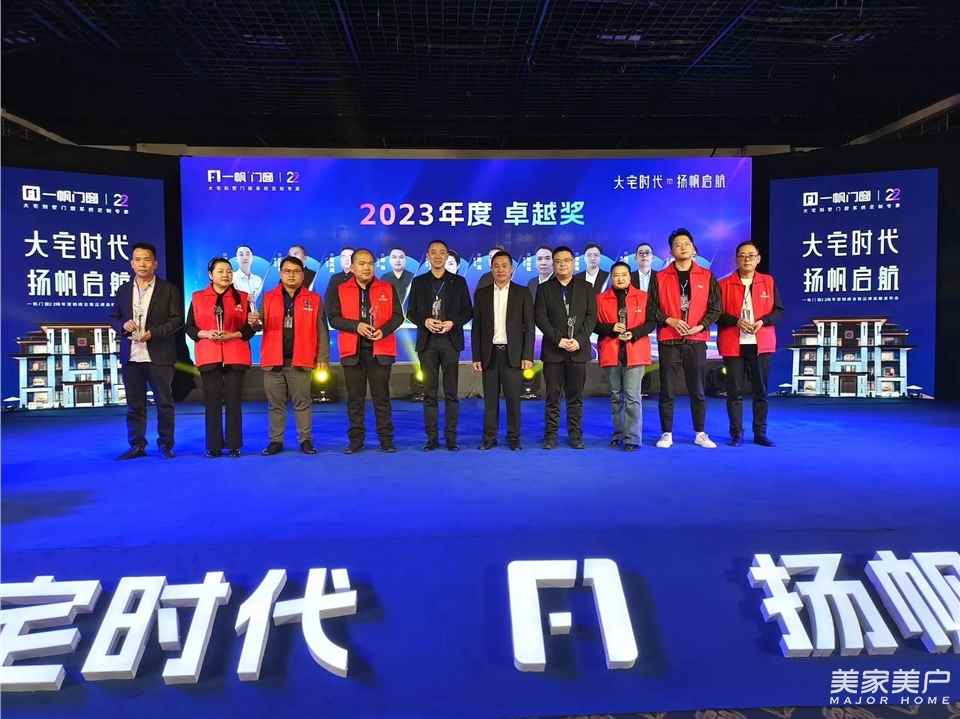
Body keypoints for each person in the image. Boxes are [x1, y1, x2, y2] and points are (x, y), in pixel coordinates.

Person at [109, 242, 183, 459]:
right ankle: (137, 445)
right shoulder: (123, 290)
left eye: (147, 259)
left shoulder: (168, 289)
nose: (142, 264)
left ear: (155, 263)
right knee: (135, 405)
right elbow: (114, 317)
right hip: (132, 356)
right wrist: (123, 325)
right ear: (131, 263)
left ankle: (165, 444)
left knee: (164, 403)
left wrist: (153, 333)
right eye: (138, 259)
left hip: (159, 355)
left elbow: (177, 320)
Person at [650, 228, 721, 449]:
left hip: (696, 339)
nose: (683, 247)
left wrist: (701, 325)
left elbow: (716, 308)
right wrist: (669, 320)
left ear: (694, 249)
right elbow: (651, 308)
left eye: (687, 243)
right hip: (669, 339)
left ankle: (700, 433)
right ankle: (666, 433)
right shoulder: (660, 277)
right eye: (678, 244)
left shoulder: (707, 276)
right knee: (667, 389)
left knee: (697, 389)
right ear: (671, 251)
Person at [327, 248, 404, 453]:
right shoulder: (340, 289)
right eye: (361, 263)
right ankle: (356, 441)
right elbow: (333, 318)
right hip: (352, 351)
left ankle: (386, 440)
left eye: (370, 263)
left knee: (382, 398)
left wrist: (383, 331)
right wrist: (356, 326)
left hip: (380, 350)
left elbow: (398, 316)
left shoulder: (387, 287)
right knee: (355, 399)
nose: (366, 267)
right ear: (352, 267)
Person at [257, 256, 330, 455]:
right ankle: (276, 441)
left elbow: (322, 330)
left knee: (303, 403)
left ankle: (305, 440)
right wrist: (254, 322)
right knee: (275, 405)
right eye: (287, 271)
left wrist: (322, 358)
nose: (291, 275)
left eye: (296, 271)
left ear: (303, 275)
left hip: (301, 359)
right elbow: (259, 324)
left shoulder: (314, 299)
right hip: (273, 360)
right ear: (280, 274)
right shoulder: (269, 297)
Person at [185, 258, 255, 457]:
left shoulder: (243, 297)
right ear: (211, 275)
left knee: (234, 401)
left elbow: (250, 329)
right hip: (209, 354)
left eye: (229, 271)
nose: (226, 275)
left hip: (235, 354)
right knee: (212, 402)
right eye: (221, 271)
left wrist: (233, 334)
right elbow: (190, 328)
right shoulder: (198, 297)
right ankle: (213, 446)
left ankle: (234, 445)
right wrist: (207, 334)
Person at [717, 241, 783, 447]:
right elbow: (716, 314)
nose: (747, 259)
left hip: (761, 344)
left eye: (751, 255)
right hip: (733, 344)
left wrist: (763, 321)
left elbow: (779, 311)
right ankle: (736, 433)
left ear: (758, 259)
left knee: (760, 392)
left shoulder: (768, 281)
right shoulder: (723, 284)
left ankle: (760, 433)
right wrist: (735, 321)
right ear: (736, 259)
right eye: (742, 255)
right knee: (734, 392)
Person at [408, 240, 473, 451]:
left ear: (447, 256)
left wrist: (452, 322)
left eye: (442, 252)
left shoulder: (459, 282)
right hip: (427, 343)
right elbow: (411, 312)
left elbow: (468, 312)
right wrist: (424, 321)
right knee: (429, 393)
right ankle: (432, 439)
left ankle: (451, 438)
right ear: (428, 256)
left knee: (451, 393)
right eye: (433, 252)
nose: (438, 256)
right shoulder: (419, 282)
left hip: (450, 341)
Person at [534, 246, 597, 449]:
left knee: (575, 397)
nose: (562, 264)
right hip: (553, 352)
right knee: (552, 397)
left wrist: (579, 340)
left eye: (566, 260)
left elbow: (591, 317)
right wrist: (558, 340)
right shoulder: (544, 289)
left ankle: (575, 435)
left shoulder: (586, 287)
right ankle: (550, 436)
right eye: (558, 261)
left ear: (573, 263)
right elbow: (540, 318)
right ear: (554, 264)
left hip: (578, 351)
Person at [472, 251, 535, 450]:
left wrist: (527, 355)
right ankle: (489, 438)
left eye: (504, 266)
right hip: (489, 354)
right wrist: (476, 356)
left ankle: (514, 438)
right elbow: (476, 328)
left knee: (513, 401)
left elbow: (529, 327)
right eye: (496, 266)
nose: (500, 269)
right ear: (491, 269)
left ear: (511, 269)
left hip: (513, 355)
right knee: (490, 401)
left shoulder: (522, 293)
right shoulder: (481, 294)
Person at [595, 262, 655, 451]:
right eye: (616, 275)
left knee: (632, 396)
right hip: (611, 351)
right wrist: (611, 329)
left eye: (624, 275)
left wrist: (634, 333)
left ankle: (632, 438)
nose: (620, 278)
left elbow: (651, 322)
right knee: (615, 396)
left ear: (630, 277)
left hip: (635, 352)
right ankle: (618, 434)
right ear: (611, 277)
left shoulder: (644, 297)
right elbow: (593, 324)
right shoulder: (600, 299)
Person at [380, 246, 414, 311]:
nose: (398, 260)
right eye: (394, 257)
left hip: (409, 314)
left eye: (401, 257)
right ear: (389, 260)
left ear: (406, 260)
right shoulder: (384, 278)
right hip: (390, 313)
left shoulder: (413, 277)